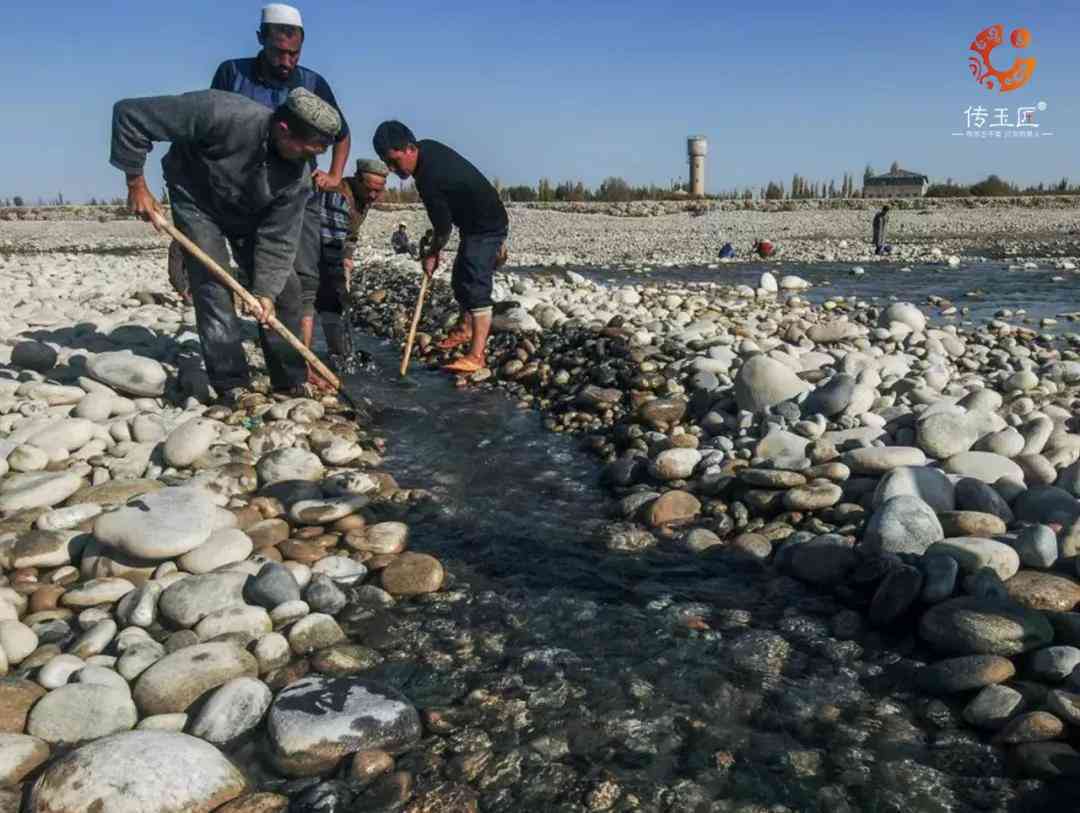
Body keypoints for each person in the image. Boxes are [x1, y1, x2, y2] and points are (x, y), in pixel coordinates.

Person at [111, 87, 342, 403]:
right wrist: (136, 184)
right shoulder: (220, 112)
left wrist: (265, 293)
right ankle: (232, 383)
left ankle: (289, 382)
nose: (309, 161)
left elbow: (278, 238)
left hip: (252, 214)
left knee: (285, 289)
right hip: (197, 201)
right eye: (306, 151)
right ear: (284, 129)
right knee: (214, 282)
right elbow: (130, 114)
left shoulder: (296, 178)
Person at [211, 3, 351, 385]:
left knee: (302, 280)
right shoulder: (232, 73)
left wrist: (335, 175)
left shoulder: (312, 82)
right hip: (239, 194)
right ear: (261, 40)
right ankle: (234, 367)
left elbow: (341, 132)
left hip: (294, 196)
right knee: (243, 278)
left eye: (294, 54)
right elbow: (210, 125)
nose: (287, 61)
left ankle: (299, 362)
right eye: (278, 52)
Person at [373, 121, 509, 375]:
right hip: (471, 225)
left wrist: (432, 253)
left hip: (487, 225)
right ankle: (465, 328)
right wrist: (434, 246)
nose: (392, 169)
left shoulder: (429, 176)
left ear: (410, 148)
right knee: (460, 280)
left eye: (393, 161)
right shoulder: (428, 149)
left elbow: (443, 226)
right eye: (386, 163)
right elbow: (443, 219)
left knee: (476, 283)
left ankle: (477, 356)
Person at [315, 158, 389, 360]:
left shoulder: (364, 198)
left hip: (332, 246)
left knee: (334, 300)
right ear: (357, 180)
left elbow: (351, 234)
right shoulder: (337, 196)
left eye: (378, 190)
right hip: (311, 247)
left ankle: (339, 351)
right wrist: (339, 278)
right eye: (370, 189)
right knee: (329, 297)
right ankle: (309, 359)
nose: (373, 195)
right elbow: (331, 245)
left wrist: (347, 258)